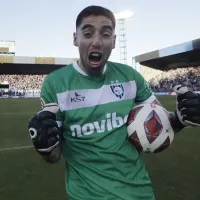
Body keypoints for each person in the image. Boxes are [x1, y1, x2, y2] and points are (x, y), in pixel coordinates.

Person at [28, 5, 200, 200]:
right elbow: (54, 155)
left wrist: (180, 119)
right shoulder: (55, 84)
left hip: (139, 193)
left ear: (114, 41)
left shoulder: (130, 77)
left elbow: (161, 123)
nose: (97, 42)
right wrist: (45, 146)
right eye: (87, 33)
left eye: (106, 34)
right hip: (85, 196)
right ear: (75, 39)